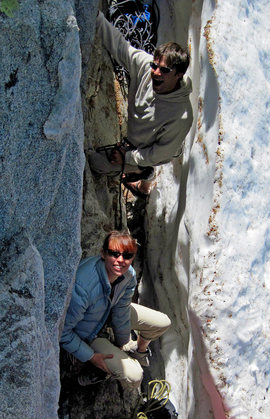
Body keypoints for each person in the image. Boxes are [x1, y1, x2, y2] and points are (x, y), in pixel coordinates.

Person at [88, 10, 193, 198]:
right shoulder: (145, 67)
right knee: (143, 162)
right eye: (155, 66)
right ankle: (146, 178)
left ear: (179, 74)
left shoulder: (181, 116)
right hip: (139, 141)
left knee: (96, 163)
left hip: (158, 150)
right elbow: (120, 46)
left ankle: (143, 173)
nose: (156, 72)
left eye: (165, 70)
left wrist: (128, 157)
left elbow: (157, 154)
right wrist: (96, 17)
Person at [60, 230, 171, 388]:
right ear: (103, 254)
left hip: (106, 315)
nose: (121, 260)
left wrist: (122, 342)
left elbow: (122, 309)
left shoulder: (128, 276)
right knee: (135, 377)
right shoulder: (83, 286)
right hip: (87, 335)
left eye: (127, 256)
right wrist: (91, 356)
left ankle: (136, 352)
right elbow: (63, 332)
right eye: (114, 253)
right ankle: (91, 371)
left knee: (162, 322)